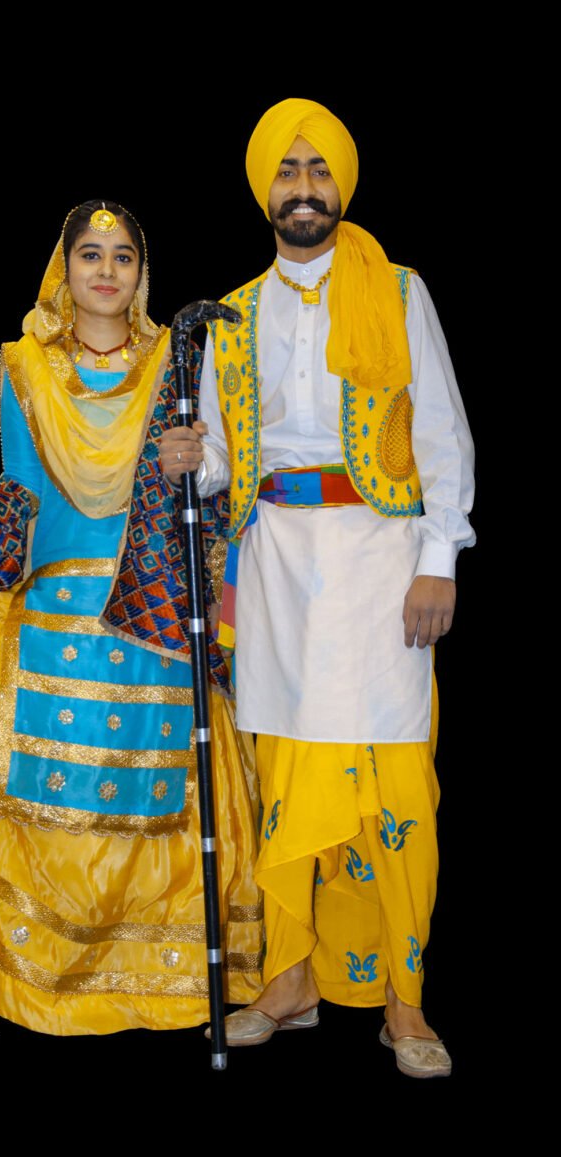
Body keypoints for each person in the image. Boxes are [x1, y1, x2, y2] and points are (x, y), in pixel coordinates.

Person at [0, 200, 263, 1035]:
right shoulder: (24, 367)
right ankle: (46, 969)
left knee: (156, 791)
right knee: (48, 790)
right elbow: (20, 487)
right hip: (56, 609)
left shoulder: (179, 359)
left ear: (142, 274)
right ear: (65, 267)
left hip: (153, 612)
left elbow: (214, 490)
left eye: (123, 256)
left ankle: (159, 976)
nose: (106, 270)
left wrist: (195, 465)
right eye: (90, 254)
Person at [160, 101, 475, 1077]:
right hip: (277, 571)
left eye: (319, 168)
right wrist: (188, 455)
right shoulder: (235, 313)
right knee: (289, 776)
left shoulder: (401, 289)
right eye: (287, 170)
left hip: (382, 562)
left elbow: (445, 436)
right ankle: (292, 978)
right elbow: (218, 465)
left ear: (342, 185)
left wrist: (440, 557)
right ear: (267, 191)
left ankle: (404, 1000)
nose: (305, 184)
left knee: (394, 784)